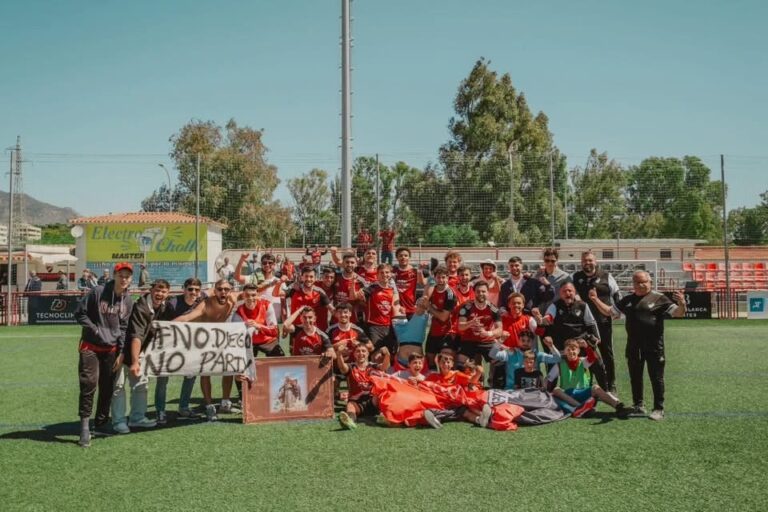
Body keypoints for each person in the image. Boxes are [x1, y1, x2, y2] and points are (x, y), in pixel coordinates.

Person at [589, 270, 686, 421]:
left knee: (656, 377)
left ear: (650, 282)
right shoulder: (627, 300)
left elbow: (678, 313)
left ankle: (658, 408)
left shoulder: (659, 298)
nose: (641, 285)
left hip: (654, 347)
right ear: (633, 284)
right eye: (637, 282)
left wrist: (682, 303)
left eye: (644, 282)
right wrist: (595, 300)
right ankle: (638, 405)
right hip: (634, 346)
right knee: (635, 377)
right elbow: (609, 312)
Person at [74, 262, 134, 447]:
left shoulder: (128, 300)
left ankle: (100, 422)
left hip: (111, 349)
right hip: (90, 346)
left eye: (127, 276)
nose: (124, 279)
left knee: (107, 387)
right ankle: (84, 427)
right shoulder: (97, 292)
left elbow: (124, 328)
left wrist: (122, 351)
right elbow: (79, 313)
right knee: (89, 384)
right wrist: (95, 330)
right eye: (121, 275)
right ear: (114, 275)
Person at [175, 279, 240, 421]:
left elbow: (253, 291)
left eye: (226, 289)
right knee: (206, 372)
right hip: (203, 341)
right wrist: (167, 325)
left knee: (229, 369)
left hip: (220, 339)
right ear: (214, 290)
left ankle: (225, 403)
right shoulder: (206, 304)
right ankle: (209, 406)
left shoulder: (232, 299)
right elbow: (187, 317)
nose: (223, 292)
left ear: (230, 291)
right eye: (220, 289)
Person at [111, 279, 171, 434]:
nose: (160, 294)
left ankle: (137, 418)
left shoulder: (164, 307)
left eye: (164, 291)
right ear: (151, 290)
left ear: (168, 293)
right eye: (157, 290)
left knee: (141, 385)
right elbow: (136, 335)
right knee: (118, 386)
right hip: (121, 349)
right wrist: (135, 361)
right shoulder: (141, 306)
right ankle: (118, 421)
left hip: (139, 351)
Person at [154, 277, 205, 423]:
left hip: (190, 346)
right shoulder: (172, 303)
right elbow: (161, 323)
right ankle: (160, 410)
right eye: (190, 289)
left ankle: (183, 407)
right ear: (184, 289)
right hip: (169, 345)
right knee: (163, 378)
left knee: (190, 376)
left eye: (196, 290)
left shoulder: (201, 301)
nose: (193, 292)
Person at [572, 251, 622, 393]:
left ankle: (611, 383)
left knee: (607, 353)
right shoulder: (576, 277)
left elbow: (617, 293)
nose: (587, 263)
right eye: (584, 261)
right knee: (586, 353)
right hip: (584, 325)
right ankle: (588, 383)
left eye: (589, 260)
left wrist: (618, 309)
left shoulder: (606, 276)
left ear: (596, 262)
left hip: (603, 322)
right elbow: (569, 290)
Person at [547, 338, 632, 419]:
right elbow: (548, 380)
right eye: (568, 349)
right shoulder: (560, 364)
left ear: (578, 351)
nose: (571, 351)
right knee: (556, 390)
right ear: (564, 352)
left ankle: (619, 407)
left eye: (573, 349)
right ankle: (580, 408)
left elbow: (592, 358)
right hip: (568, 395)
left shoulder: (582, 361)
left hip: (582, 393)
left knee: (596, 388)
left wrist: (586, 346)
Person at [337, 343, 389, 430]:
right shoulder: (351, 367)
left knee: (381, 396)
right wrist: (339, 354)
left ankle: (383, 417)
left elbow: (384, 367)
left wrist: (387, 355)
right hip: (357, 402)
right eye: (358, 351)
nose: (361, 353)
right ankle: (350, 421)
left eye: (363, 351)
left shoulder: (373, 366)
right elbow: (342, 367)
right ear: (354, 354)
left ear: (368, 354)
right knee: (350, 405)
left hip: (371, 400)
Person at [456, 281, 503, 370]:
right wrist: (471, 323)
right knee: (460, 363)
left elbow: (500, 330)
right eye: (478, 291)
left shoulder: (494, 309)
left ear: (488, 292)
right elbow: (460, 326)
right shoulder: (467, 307)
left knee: (499, 361)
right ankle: (464, 383)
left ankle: (495, 383)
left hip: (486, 341)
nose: (481, 294)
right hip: (469, 340)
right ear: (474, 293)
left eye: (483, 291)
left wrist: (488, 333)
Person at [489, 331, 560, 390]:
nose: (525, 343)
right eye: (523, 340)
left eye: (528, 341)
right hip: (512, 391)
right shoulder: (510, 353)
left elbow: (557, 358)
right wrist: (500, 340)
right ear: (518, 340)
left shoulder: (538, 355)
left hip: (533, 392)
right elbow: (492, 354)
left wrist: (551, 346)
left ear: (532, 342)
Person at [358, 263, 401, 357]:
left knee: (390, 354)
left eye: (387, 272)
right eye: (381, 272)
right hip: (374, 326)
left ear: (391, 274)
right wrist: (358, 292)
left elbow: (395, 307)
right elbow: (358, 297)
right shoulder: (371, 288)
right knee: (375, 354)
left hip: (389, 326)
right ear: (377, 275)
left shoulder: (393, 290)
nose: (384, 274)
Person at [232, 283, 282, 356]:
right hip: (249, 342)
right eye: (247, 295)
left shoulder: (266, 305)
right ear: (243, 296)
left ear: (257, 295)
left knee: (279, 359)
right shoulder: (239, 311)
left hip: (267, 340)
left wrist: (258, 326)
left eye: (253, 295)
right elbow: (235, 334)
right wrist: (243, 326)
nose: (250, 298)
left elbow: (275, 331)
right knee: (241, 361)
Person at [424, 265, 457, 369]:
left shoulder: (450, 294)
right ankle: (433, 382)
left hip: (446, 332)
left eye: (444, 277)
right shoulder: (432, 289)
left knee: (446, 360)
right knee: (429, 359)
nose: (441, 280)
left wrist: (429, 307)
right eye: (438, 277)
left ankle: (447, 382)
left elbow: (443, 317)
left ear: (448, 278)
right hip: (433, 330)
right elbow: (424, 299)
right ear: (435, 278)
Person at [235, 252, 283, 322]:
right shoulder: (254, 278)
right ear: (261, 264)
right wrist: (242, 259)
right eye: (264, 263)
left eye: (270, 263)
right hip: (257, 319)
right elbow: (237, 277)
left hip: (275, 320)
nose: (267, 265)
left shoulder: (279, 281)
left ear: (274, 265)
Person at [533, 248, 570, 312]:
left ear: (557, 261)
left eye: (552, 261)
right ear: (544, 260)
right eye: (547, 260)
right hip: (539, 313)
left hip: (556, 314)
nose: (550, 263)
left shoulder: (565, 277)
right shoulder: (538, 275)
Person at [393, 247, 426, 319]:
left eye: (405, 255)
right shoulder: (393, 270)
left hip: (410, 307)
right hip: (397, 308)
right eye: (400, 255)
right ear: (397, 258)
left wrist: (420, 271)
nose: (403, 257)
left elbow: (422, 283)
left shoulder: (415, 271)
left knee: (411, 330)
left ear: (409, 257)